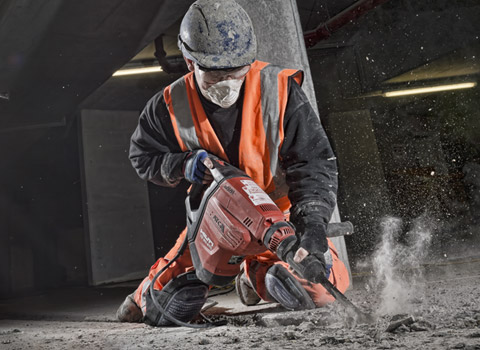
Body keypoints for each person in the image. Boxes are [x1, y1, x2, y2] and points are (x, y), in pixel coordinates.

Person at [116, 0, 349, 326]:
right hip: (212, 222)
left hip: (276, 216)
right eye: (215, 73)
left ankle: (257, 273)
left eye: (237, 70)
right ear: (188, 60)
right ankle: (145, 293)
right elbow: (143, 158)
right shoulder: (167, 105)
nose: (227, 80)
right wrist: (181, 166)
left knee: (319, 290)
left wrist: (312, 229)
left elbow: (313, 163)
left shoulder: (281, 91)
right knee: (163, 309)